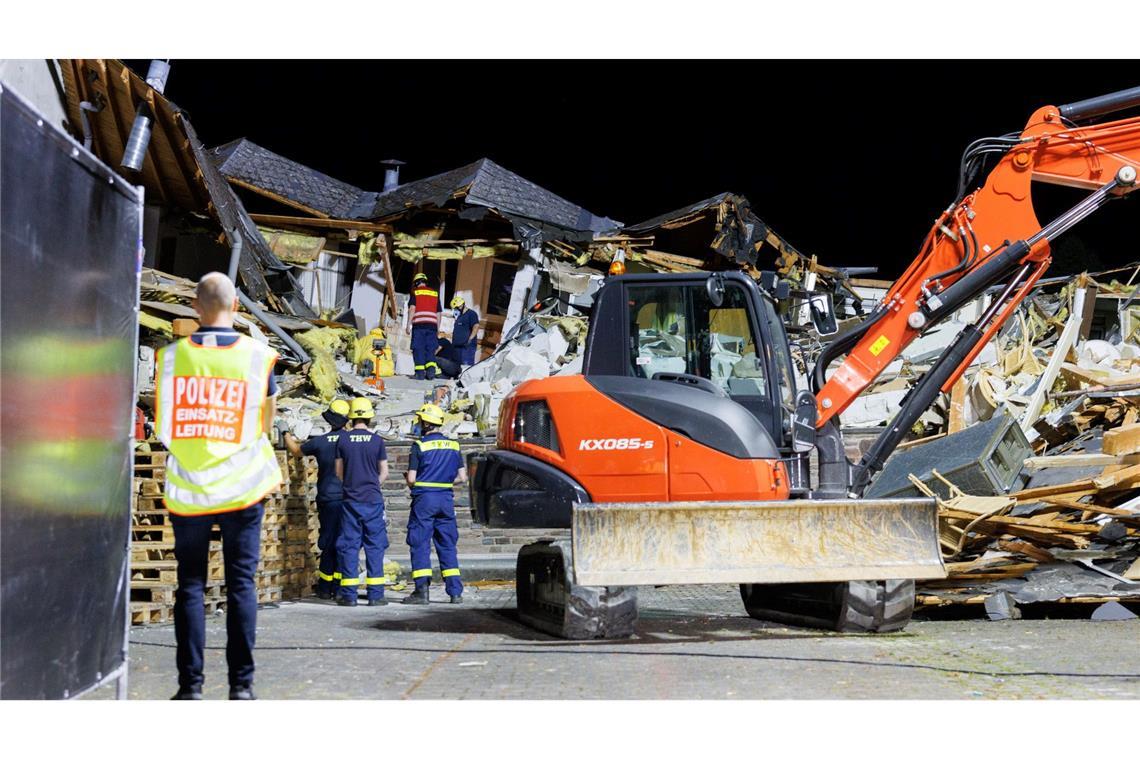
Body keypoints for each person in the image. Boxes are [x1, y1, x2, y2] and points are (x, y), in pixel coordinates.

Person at [155, 272, 281, 701]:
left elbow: (165, 423)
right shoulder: (256, 357)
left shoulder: (171, 359)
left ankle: (190, 689)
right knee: (241, 584)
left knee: (190, 585)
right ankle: (240, 689)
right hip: (242, 487)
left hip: (190, 488)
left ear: (196, 308)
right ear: (236, 308)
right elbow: (266, 421)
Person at [283, 399, 350, 599]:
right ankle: (339, 587)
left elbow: (295, 451)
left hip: (328, 497)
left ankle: (324, 587)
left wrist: (285, 432)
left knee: (328, 541)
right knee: (344, 541)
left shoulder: (320, 442)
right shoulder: (350, 441)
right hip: (348, 498)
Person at [402, 404, 466, 605]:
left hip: (424, 500)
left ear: (426, 423)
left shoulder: (419, 445)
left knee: (420, 542)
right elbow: (462, 477)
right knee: (447, 544)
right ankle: (455, 592)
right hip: (445, 499)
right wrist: (443, 482)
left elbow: (412, 479)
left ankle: (422, 591)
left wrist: (415, 480)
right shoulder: (454, 446)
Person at [333, 397, 391, 607]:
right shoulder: (377, 441)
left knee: (349, 546)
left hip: (351, 500)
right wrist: (372, 485)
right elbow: (384, 472)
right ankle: (376, 596)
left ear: (351, 417)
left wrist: (352, 483)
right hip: (373, 500)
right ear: (368, 417)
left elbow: (338, 472)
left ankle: (349, 596)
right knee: (375, 546)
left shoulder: (344, 440)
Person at [408, 272, 440, 380]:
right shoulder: (435, 293)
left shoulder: (415, 292)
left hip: (419, 325)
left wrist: (408, 325)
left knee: (418, 348)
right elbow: (438, 313)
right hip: (432, 326)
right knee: (430, 349)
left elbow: (412, 309)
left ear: (416, 283)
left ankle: (420, 374)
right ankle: (431, 373)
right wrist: (438, 328)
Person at [449, 295, 480, 367]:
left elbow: (476, 326)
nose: (456, 310)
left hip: (466, 347)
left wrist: (470, 339)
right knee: (455, 367)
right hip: (457, 346)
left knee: (465, 367)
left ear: (462, 305)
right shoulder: (459, 316)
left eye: (457, 308)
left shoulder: (471, 314)